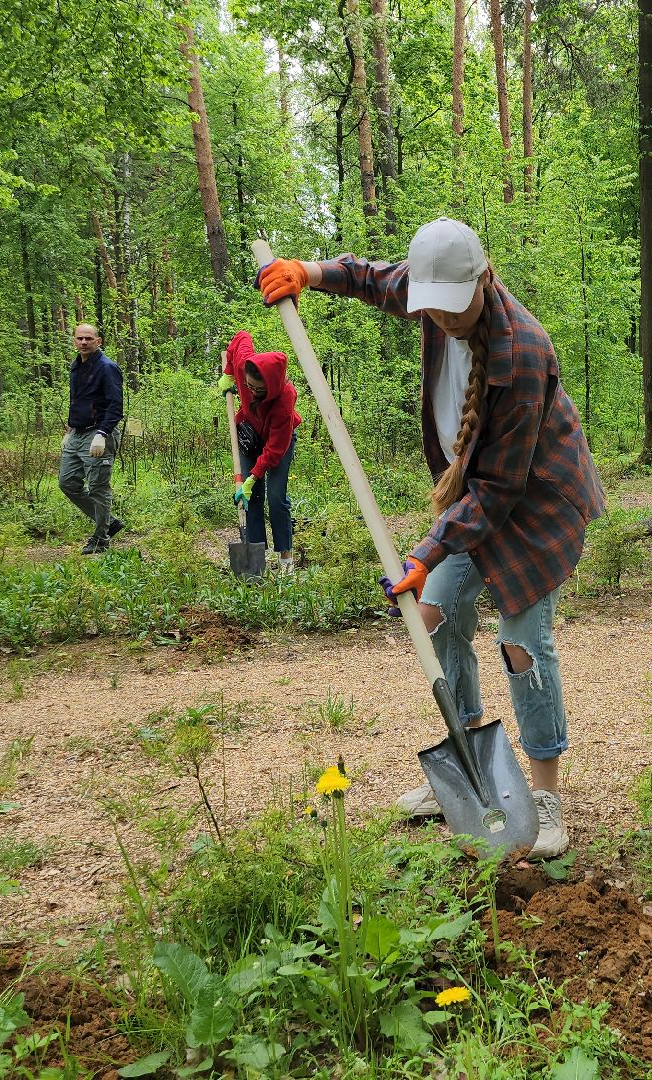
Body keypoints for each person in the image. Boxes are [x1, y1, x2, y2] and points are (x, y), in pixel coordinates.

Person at [258, 217, 606, 858]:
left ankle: (547, 794)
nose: (441, 320)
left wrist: (425, 550)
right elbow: (369, 277)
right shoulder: (432, 295)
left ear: (482, 279)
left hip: (535, 508)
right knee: (433, 612)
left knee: (522, 644)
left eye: (452, 308)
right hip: (474, 501)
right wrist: (308, 272)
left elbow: (499, 493)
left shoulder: (523, 350)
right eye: (432, 308)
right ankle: (471, 755)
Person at [219, 331, 303, 573]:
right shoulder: (246, 365)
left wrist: (253, 477)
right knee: (251, 498)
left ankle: (285, 558)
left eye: (258, 389)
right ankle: (256, 561)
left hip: (277, 443)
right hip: (248, 435)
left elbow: (275, 450)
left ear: (272, 386)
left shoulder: (285, 399)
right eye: (248, 385)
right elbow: (241, 337)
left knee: (276, 498)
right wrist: (228, 376)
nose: (251, 391)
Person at [59, 324, 126, 554]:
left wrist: (103, 433)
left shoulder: (107, 368)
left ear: (98, 341)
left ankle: (101, 538)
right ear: (74, 341)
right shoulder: (76, 366)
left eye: (89, 338)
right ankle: (110, 521)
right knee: (67, 483)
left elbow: (116, 406)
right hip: (77, 433)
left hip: (98, 433)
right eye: (80, 338)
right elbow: (78, 401)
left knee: (98, 486)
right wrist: (69, 431)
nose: (84, 342)